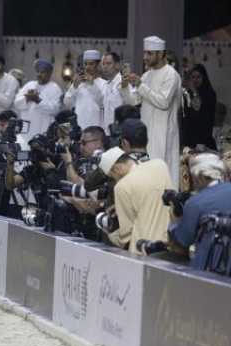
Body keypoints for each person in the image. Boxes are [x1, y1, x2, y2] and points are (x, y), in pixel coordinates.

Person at [99, 120, 174, 254]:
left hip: (142, 251)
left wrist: (109, 230)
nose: (114, 180)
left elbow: (125, 236)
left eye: (112, 176)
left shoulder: (122, 187)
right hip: (166, 245)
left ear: (115, 169)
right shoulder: (160, 165)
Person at [119, 35, 182, 186]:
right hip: (146, 133)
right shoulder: (147, 75)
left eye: (149, 54)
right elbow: (134, 101)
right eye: (144, 53)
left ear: (161, 54)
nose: (145, 57)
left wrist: (140, 84)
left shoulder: (171, 74)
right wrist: (125, 86)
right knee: (146, 174)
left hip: (164, 133)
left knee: (163, 174)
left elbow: (163, 102)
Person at [168, 153, 231, 271]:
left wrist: (174, 222)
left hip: (208, 270)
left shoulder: (196, 203)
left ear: (200, 176)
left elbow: (183, 241)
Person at [13, 59, 62, 143]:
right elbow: (16, 103)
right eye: (38, 72)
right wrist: (27, 98)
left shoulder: (55, 88)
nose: (39, 74)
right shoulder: (29, 85)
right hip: (26, 131)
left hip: (44, 131)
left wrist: (37, 100)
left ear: (50, 73)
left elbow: (55, 110)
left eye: (42, 72)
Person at [64, 50, 105, 130]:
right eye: (85, 64)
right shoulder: (78, 84)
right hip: (79, 128)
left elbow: (102, 103)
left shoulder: (104, 84)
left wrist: (92, 84)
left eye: (91, 64)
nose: (87, 67)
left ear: (98, 65)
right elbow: (67, 104)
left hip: (95, 129)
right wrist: (74, 87)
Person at [183, 64, 217, 150]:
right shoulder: (187, 94)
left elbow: (198, 109)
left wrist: (194, 91)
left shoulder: (209, 94)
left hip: (203, 141)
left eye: (198, 77)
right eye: (193, 77)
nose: (195, 80)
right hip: (189, 140)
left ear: (204, 78)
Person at [100, 52, 124, 134]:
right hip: (107, 132)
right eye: (103, 64)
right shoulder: (105, 85)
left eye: (108, 64)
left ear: (117, 65)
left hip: (120, 132)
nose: (105, 67)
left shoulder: (123, 83)